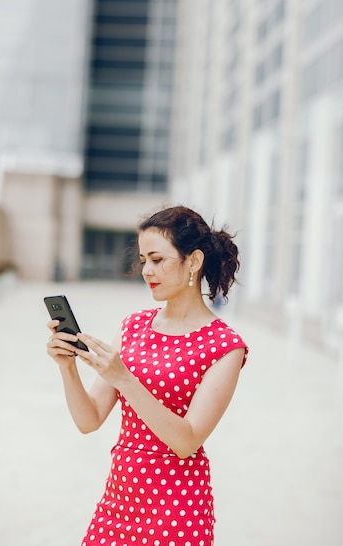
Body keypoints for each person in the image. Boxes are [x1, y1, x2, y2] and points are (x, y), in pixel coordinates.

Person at [47, 205, 248, 546]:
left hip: (176, 510)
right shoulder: (133, 326)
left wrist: (125, 379)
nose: (146, 270)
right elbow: (89, 419)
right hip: (118, 502)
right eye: (144, 260)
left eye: (157, 259)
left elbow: (186, 442)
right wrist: (67, 367)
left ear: (194, 261)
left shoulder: (225, 346)